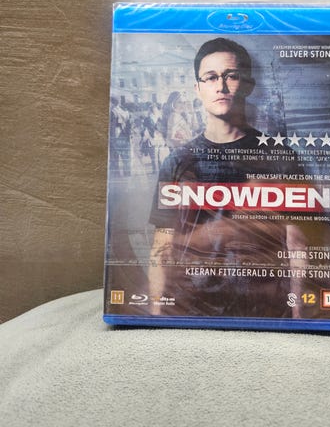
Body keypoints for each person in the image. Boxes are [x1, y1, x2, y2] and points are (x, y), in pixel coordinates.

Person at [148, 38, 309, 318]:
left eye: (231, 76)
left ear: (248, 84)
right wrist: (155, 313)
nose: (221, 86)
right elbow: (162, 248)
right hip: (191, 310)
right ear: (197, 88)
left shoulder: (281, 158)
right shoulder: (177, 163)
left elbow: (297, 245)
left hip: (264, 311)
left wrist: (299, 315)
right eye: (211, 77)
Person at [109, 97, 131, 177]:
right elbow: (129, 124)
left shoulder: (113, 111)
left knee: (115, 156)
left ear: (112, 103)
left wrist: (112, 138)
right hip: (125, 135)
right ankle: (127, 173)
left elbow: (112, 126)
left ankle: (116, 174)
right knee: (126, 156)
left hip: (116, 135)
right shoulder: (125, 111)